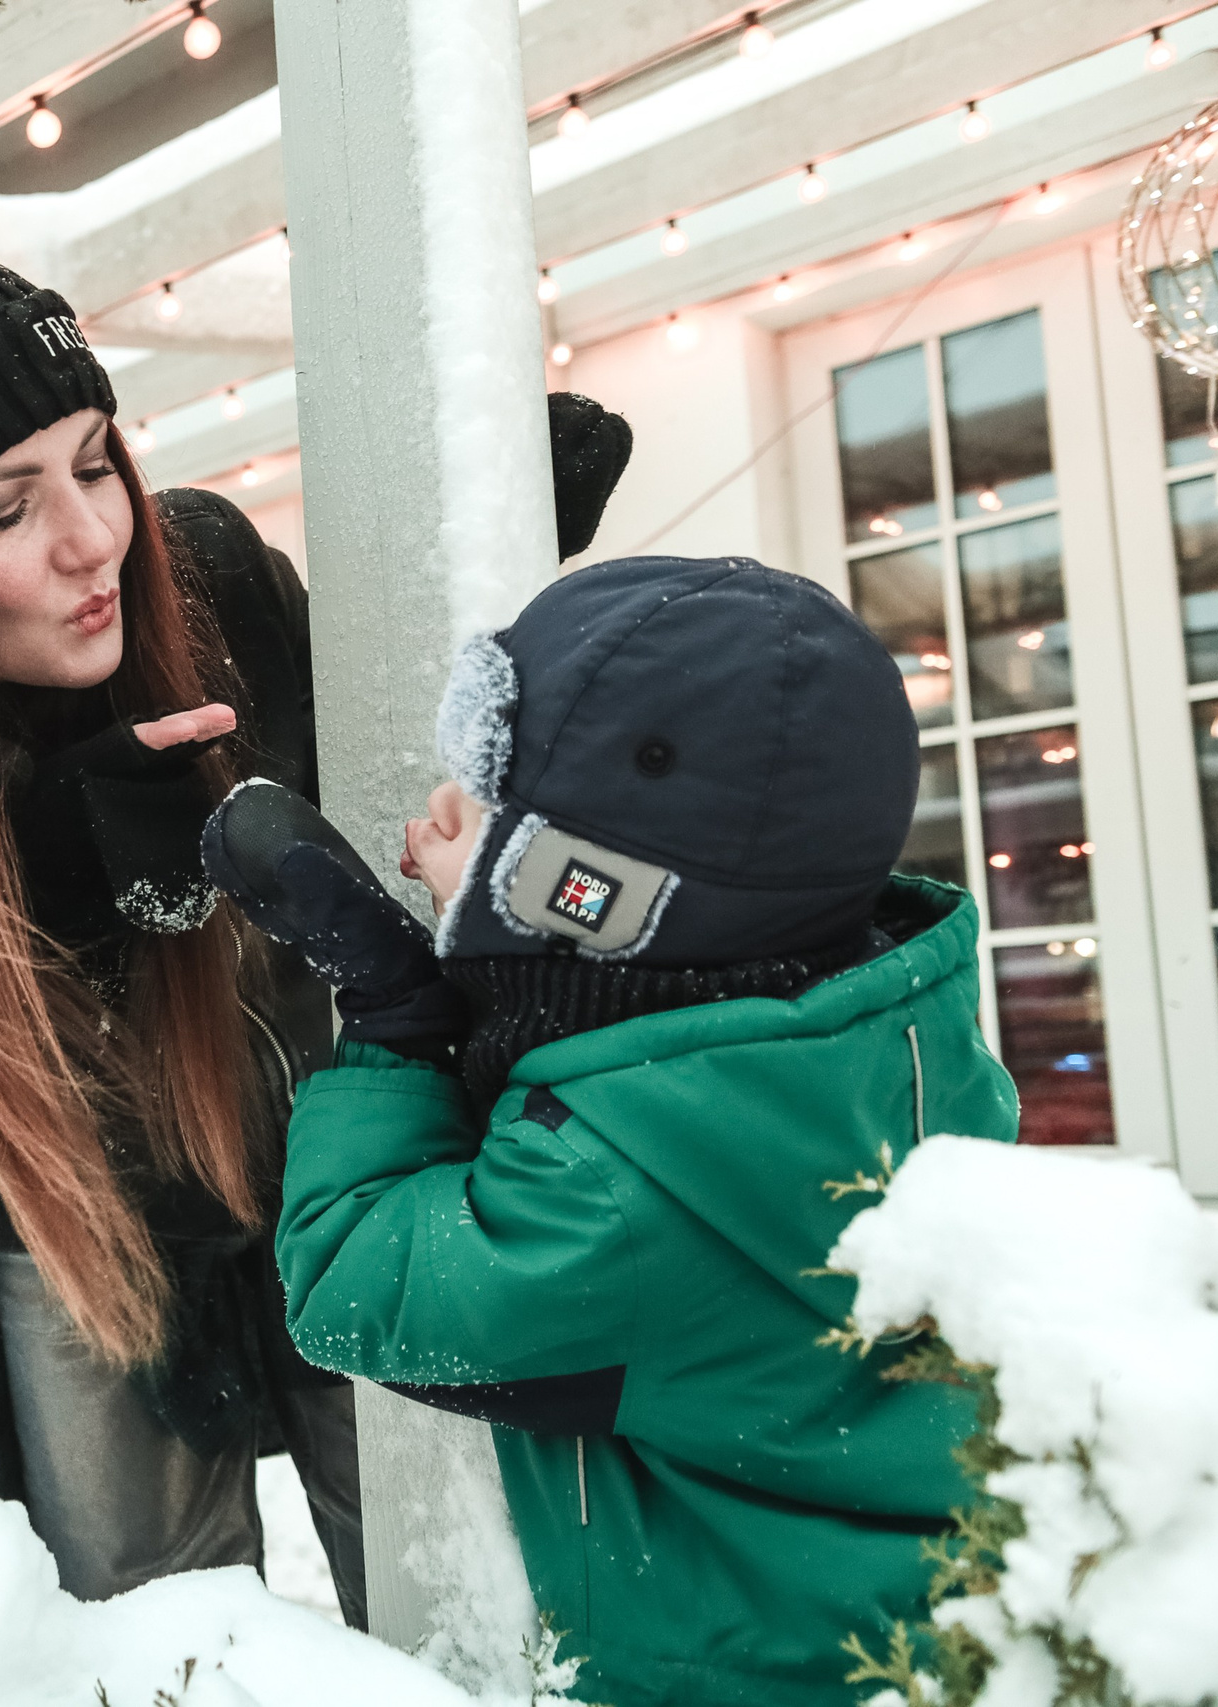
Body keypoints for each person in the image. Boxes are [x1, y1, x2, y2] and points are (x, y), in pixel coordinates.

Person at [0, 180, 631, 1622]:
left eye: (94, 463)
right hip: (81, 1233)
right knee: (148, 1623)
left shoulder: (210, 582)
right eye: (7, 507)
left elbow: (392, 761)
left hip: (337, 1149)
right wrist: (62, 892)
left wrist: (472, 566)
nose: (91, 540)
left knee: (460, 1578)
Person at [202, 555, 1021, 1705]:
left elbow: (353, 1281)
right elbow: (641, 1047)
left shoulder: (613, 1200)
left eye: (482, 804)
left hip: (752, 1680)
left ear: (585, 891)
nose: (437, 814)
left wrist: (394, 1025)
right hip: (931, 1631)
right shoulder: (900, 1048)